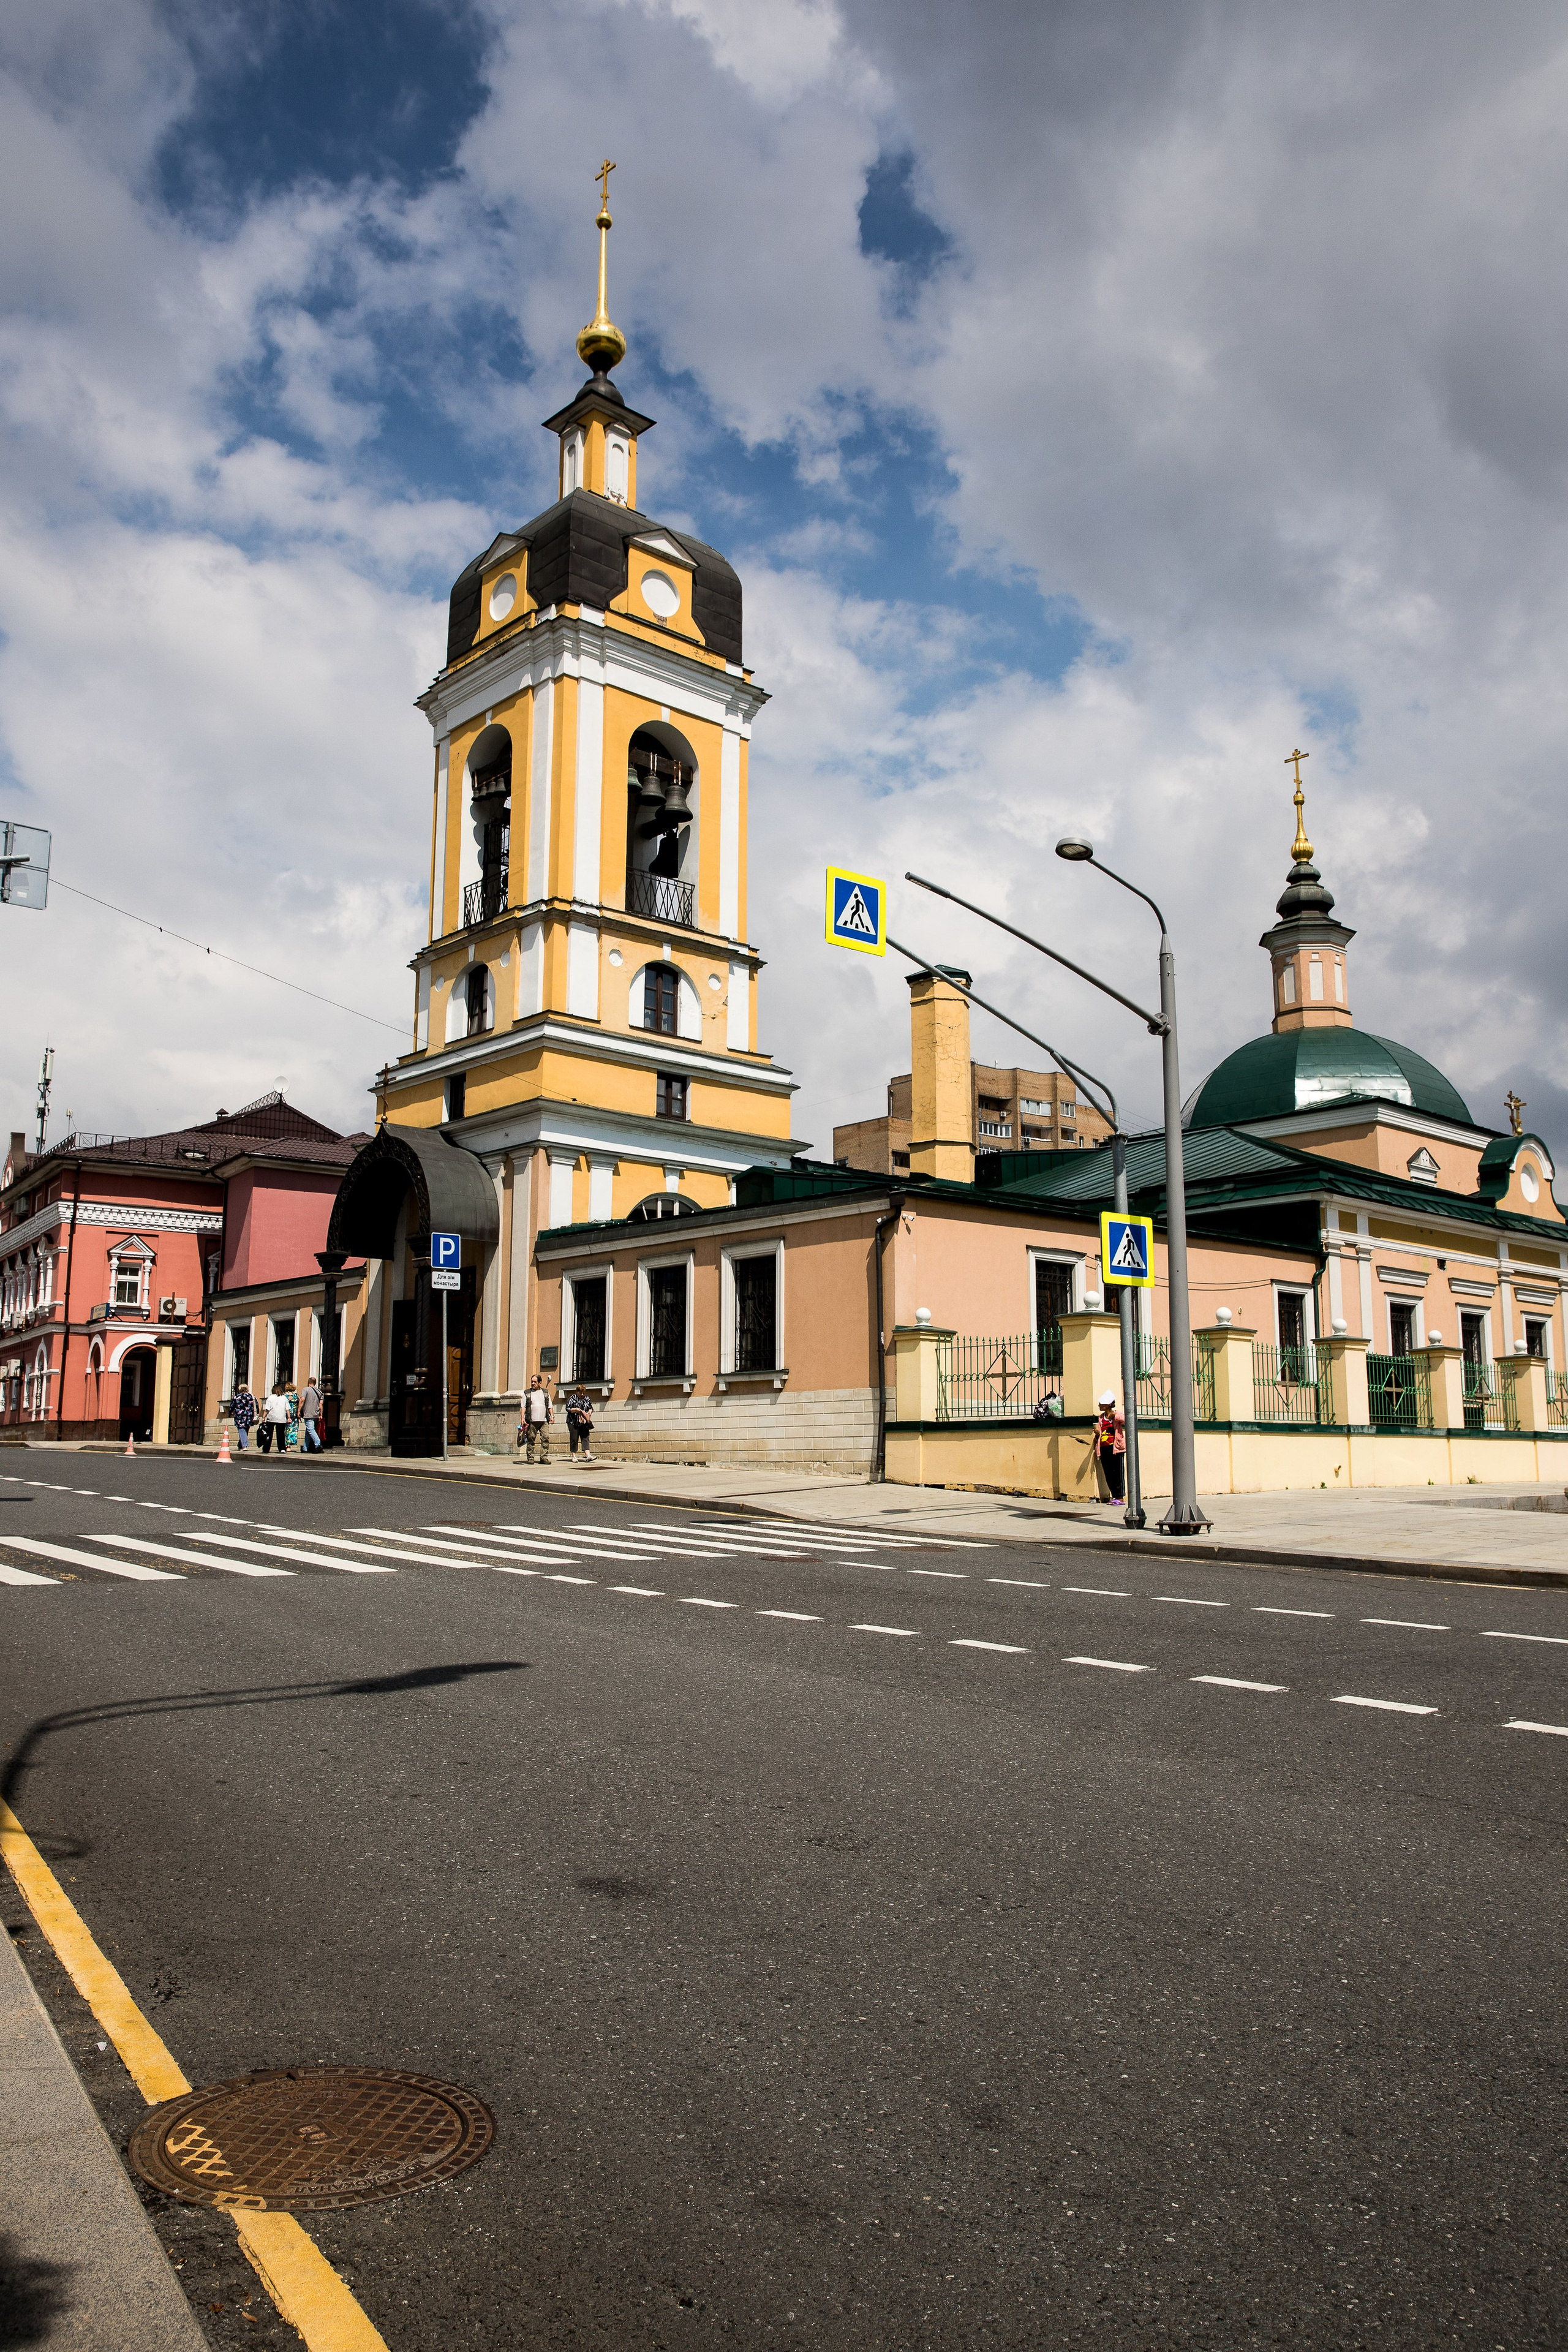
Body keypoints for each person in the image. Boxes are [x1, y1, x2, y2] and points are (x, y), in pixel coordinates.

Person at [1095, 1389, 1126, 1502]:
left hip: (1116, 1448)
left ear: (1107, 1405)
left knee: (1117, 1473)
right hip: (1104, 1448)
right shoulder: (1100, 1417)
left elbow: (1126, 1419)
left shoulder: (1116, 1414)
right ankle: (1114, 1496)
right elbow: (1101, 1432)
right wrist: (1098, 1435)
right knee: (1108, 1473)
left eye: (1101, 1404)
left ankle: (1120, 1497)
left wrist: (1115, 1416)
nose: (1099, 1405)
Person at [519, 1374, 553, 1464]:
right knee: (531, 1439)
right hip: (532, 1421)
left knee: (546, 1437)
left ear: (540, 1383)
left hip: (544, 1420)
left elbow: (550, 1406)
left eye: (535, 1382)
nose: (533, 1383)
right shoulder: (527, 1393)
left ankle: (544, 1458)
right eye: (532, 1382)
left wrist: (552, 1416)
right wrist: (522, 1418)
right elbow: (523, 1407)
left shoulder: (545, 1393)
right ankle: (531, 1458)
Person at [564, 1382, 595, 1462]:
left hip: (584, 1421)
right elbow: (567, 1408)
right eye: (580, 1392)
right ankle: (574, 1455)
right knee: (574, 1438)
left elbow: (591, 1407)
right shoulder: (573, 1398)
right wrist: (575, 1410)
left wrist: (590, 1412)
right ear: (577, 1392)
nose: (582, 1394)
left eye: (583, 1393)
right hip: (573, 1421)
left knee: (585, 1436)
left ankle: (588, 1455)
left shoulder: (587, 1398)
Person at [262, 1384, 292, 1458]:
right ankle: (282, 1448)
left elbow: (267, 1409)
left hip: (272, 1417)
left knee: (269, 1434)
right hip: (281, 1418)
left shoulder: (271, 1398)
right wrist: (289, 1417)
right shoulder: (284, 1398)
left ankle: (266, 1449)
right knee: (281, 1434)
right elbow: (287, 1409)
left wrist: (263, 1417)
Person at [298, 1378, 323, 1453]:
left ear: (308, 1382)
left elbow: (302, 1400)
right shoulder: (319, 1391)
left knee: (311, 1429)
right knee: (308, 1430)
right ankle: (305, 1448)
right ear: (315, 1383)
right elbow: (321, 1404)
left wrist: (299, 1411)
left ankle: (318, 1445)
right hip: (315, 1413)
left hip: (308, 1413)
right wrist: (321, 1414)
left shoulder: (306, 1390)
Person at [232, 1381, 258, 1450]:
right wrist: (256, 1413)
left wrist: (230, 1413)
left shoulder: (237, 1397)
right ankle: (240, 1445)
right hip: (249, 1416)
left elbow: (232, 1406)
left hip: (239, 1416)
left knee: (242, 1430)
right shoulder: (252, 1397)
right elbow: (256, 1406)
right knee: (245, 1430)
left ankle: (244, 1445)